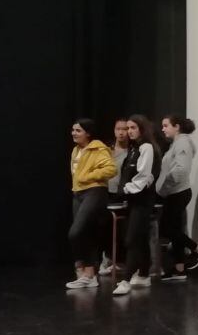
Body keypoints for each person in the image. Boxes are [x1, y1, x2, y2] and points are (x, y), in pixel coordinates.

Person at [112, 115, 162, 296]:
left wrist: (126, 189)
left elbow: (143, 177)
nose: (129, 131)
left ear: (142, 128)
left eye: (133, 128)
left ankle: (125, 280)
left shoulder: (146, 148)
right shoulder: (135, 148)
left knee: (132, 239)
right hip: (134, 200)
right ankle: (143, 274)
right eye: (128, 128)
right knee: (139, 238)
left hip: (142, 200)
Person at [66, 119, 116, 290]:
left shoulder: (98, 148)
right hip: (78, 193)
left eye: (78, 130)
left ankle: (86, 271)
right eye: (73, 130)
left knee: (76, 232)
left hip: (94, 191)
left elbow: (111, 169)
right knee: (85, 233)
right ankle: (88, 274)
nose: (74, 133)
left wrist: (88, 177)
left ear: (88, 133)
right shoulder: (75, 150)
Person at [156, 115, 198, 282]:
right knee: (174, 230)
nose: (163, 129)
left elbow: (180, 171)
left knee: (169, 230)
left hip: (178, 192)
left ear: (177, 127)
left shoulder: (182, 143)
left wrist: (164, 186)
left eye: (166, 125)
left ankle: (197, 249)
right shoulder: (177, 144)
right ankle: (179, 269)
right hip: (174, 193)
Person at [99, 119, 131, 276]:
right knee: (104, 225)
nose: (121, 132)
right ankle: (107, 258)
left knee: (122, 228)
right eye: (118, 129)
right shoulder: (107, 150)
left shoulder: (132, 151)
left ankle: (120, 261)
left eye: (124, 129)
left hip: (122, 193)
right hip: (105, 191)